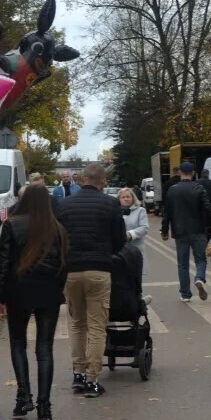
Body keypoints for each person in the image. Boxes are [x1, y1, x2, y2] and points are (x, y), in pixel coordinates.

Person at [0, 185, 69, 420]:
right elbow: (64, 264)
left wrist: (1, 296)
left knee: (18, 343)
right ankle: (44, 406)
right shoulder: (57, 228)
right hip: (48, 293)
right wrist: (57, 289)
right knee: (44, 349)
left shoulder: (12, 225)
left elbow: (3, 263)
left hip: (19, 292)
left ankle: (24, 396)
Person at [57, 163, 126, 398]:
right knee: (97, 327)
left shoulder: (65, 205)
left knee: (77, 324)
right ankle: (92, 380)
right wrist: (106, 252)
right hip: (99, 269)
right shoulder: (110, 204)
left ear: (81, 180)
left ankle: (78, 373)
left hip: (71, 271)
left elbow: (58, 238)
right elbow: (119, 239)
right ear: (103, 182)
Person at [161, 162, 211, 302]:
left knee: (183, 263)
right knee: (201, 259)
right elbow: (208, 207)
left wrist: (164, 229)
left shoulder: (172, 190)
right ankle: (199, 278)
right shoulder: (199, 188)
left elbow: (167, 212)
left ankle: (185, 294)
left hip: (179, 231)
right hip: (198, 230)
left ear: (180, 172)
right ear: (193, 173)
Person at [118, 188, 149, 279]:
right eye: (123, 197)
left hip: (136, 250)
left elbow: (144, 228)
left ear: (133, 198)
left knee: (135, 280)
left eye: (128, 197)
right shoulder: (115, 211)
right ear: (119, 199)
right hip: (119, 251)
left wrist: (130, 234)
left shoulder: (140, 210)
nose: (126, 199)